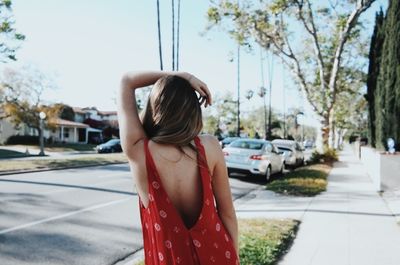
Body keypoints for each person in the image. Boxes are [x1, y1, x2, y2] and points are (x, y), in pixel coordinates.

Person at [117, 71, 240, 265]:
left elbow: (127, 81)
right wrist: (235, 256)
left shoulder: (138, 150)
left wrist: (183, 76)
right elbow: (227, 213)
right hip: (219, 256)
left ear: (153, 108)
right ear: (192, 110)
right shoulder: (209, 147)